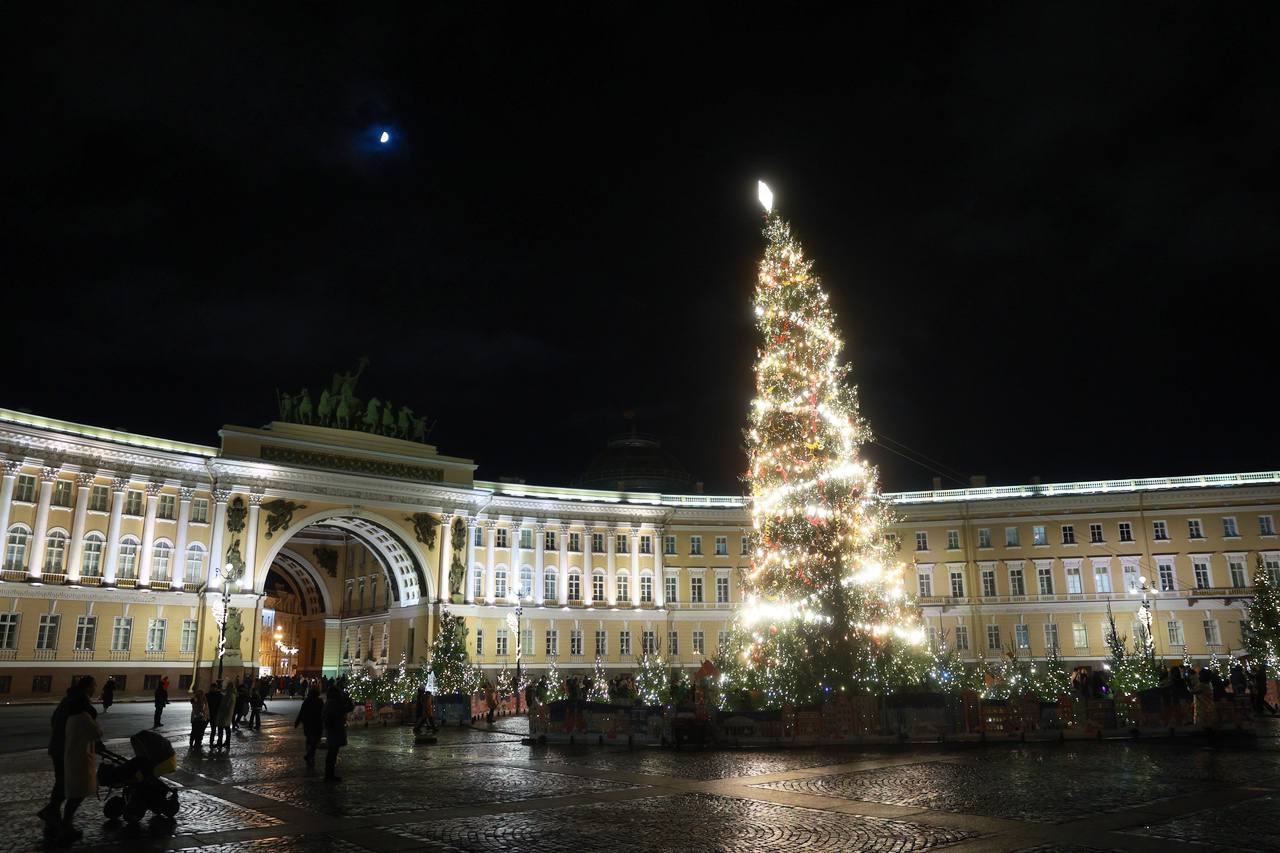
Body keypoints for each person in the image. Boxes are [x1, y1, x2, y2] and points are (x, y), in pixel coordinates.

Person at [38, 676, 97, 834]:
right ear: (87, 687)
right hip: (69, 750)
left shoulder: (68, 700)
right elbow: (86, 727)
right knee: (72, 784)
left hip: (58, 747)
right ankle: (59, 818)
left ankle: (53, 812)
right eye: (93, 686)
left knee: (61, 782)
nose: (94, 689)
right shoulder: (79, 704)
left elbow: (54, 720)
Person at [61, 700, 103, 842]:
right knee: (77, 794)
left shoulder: (71, 717)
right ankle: (66, 826)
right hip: (81, 759)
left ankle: (66, 825)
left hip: (73, 756)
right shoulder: (84, 717)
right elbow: (97, 733)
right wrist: (94, 721)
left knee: (74, 794)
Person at [322, 682, 354, 781]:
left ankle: (329, 774)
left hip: (331, 731)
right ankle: (329, 775)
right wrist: (347, 698)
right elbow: (349, 708)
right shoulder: (335, 703)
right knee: (332, 753)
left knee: (332, 753)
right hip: (335, 731)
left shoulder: (329, 702)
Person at [295, 682, 324, 766]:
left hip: (307, 723)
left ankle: (309, 753)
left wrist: (297, 721)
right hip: (317, 724)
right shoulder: (319, 701)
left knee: (309, 739)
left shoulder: (307, 701)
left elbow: (301, 712)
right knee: (315, 741)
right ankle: (310, 755)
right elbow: (323, 712)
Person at [212, 679, 236, 752]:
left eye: (227, 686)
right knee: (227, 728)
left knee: (221, 729)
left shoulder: (229, 695)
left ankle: (220, 742)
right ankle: (226, 742)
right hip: (227, 714)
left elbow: (226, 705)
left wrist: (222, 711)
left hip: (224, 714)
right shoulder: (232, 694)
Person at [206, 681, 224, 750]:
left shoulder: (219, 695)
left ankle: (215, 742)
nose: (212, 689)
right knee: (213, 729)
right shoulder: (208, 695)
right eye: (211, 688)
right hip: (210, 715)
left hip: (215, 715)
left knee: (215, 730)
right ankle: (212, 742)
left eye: (213, 688)